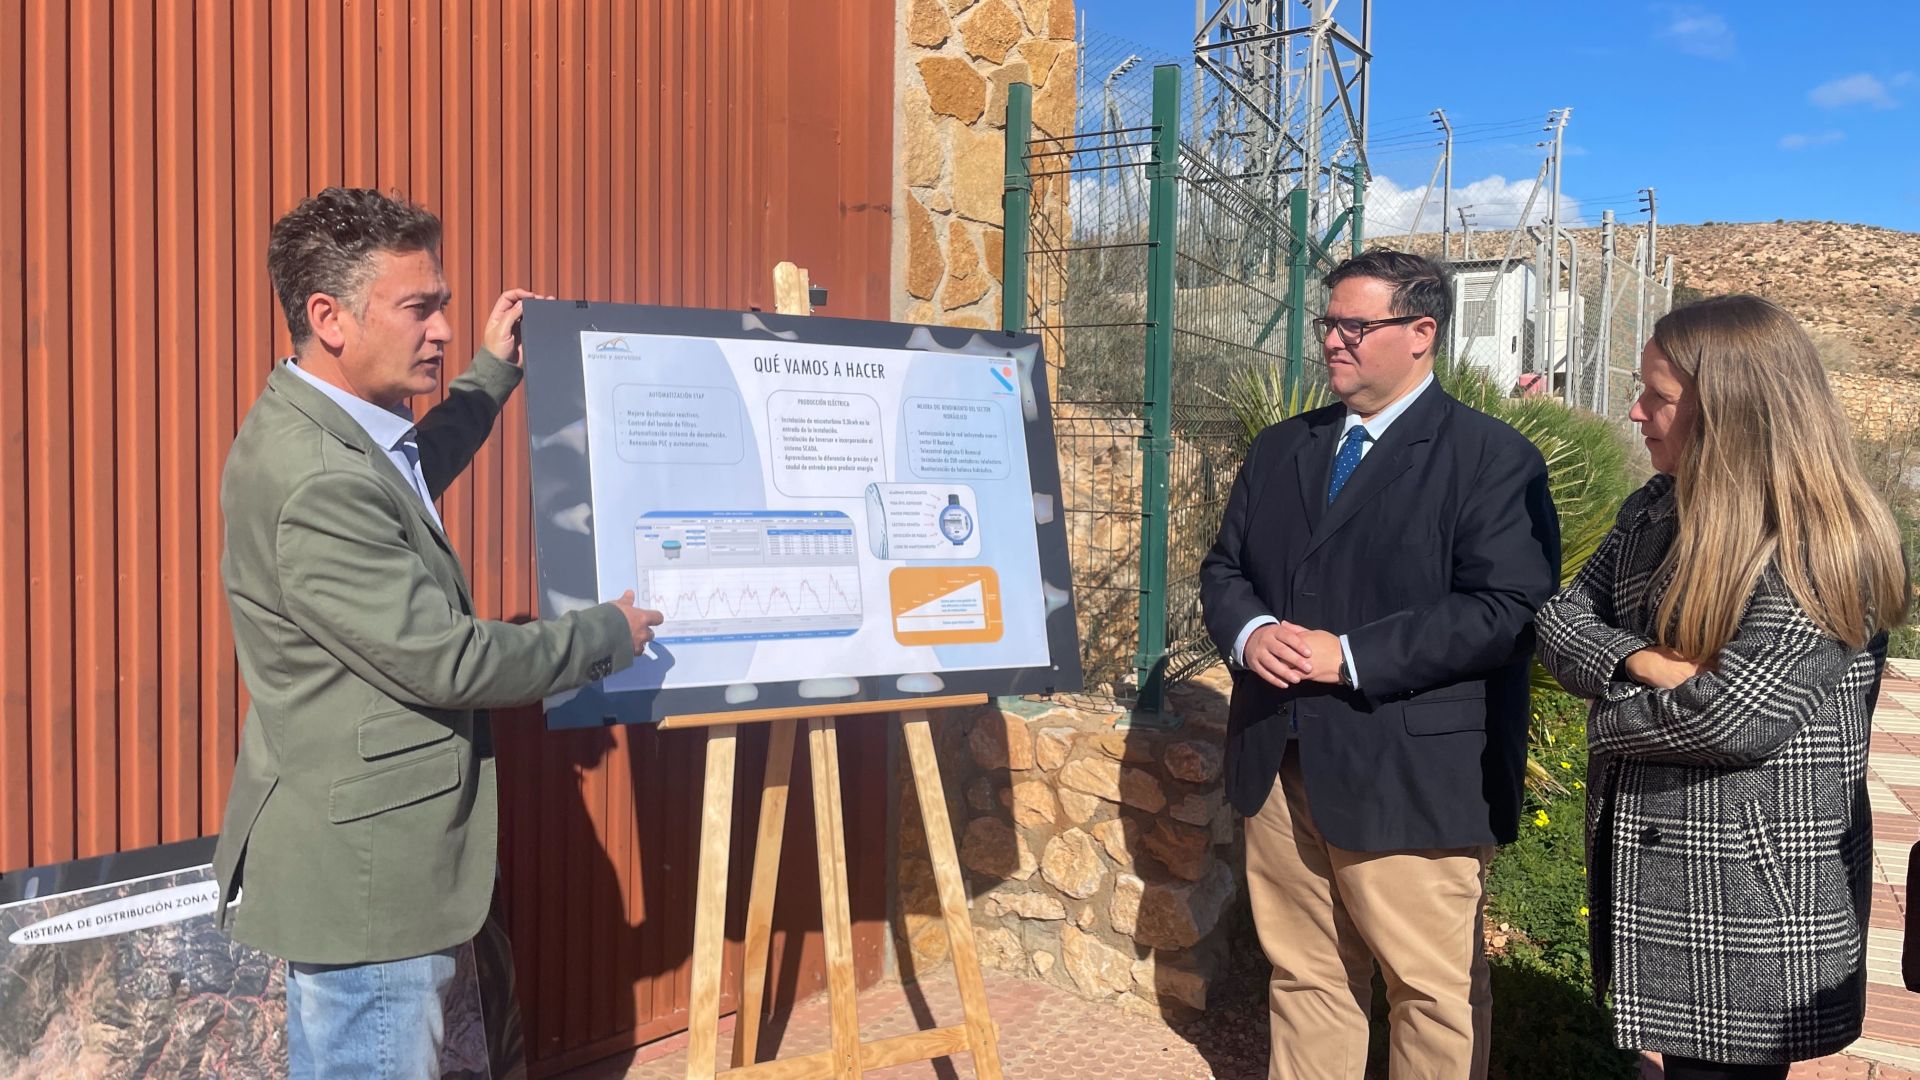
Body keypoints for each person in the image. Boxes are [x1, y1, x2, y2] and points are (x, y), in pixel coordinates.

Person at [212, 187, 664, 1078]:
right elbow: (449, 660)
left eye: (444, 305)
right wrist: (604, 634)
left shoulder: (336, 431)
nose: (444, 329)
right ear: (329, 317)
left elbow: (408, 479)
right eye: (420, 308)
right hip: (373, 885)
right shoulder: (316, 481)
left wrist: (491, 377)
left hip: (370, 856)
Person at [1199, 249, 1561, 1079]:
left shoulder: (1490, 458)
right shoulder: (1281, 447)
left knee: (1430, 996)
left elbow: (1504, 609)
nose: (1332, 341)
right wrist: (1252, 632)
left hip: (1410, 775)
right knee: (1307, 978)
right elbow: (1225, 569)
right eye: (1329, 323)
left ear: (1422, 333)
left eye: (1355, 326)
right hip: (1279, 762)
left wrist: (1350, 656)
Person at [1535, 294, 1908, 1079]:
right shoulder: (1654, 508)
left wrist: (1605, 709)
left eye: (1660, 397)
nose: (1636, 414)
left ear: (1734, 408)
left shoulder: (1823, 542)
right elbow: (1558, 623)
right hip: (1659, 868)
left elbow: (1731, 719)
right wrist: (1648, 663)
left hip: (1748, 897)